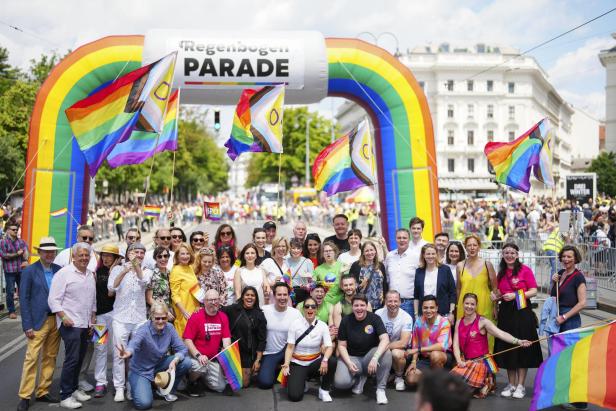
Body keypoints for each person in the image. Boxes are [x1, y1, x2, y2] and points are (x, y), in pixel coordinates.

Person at [451, 293, 531, 398]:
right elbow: (455, 345)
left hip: (482, 363)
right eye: (467, 303)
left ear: (476, 306)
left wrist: (519, 341)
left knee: (460, 391)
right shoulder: (458, 322)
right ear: (462, 304)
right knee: (450, 386)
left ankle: (485, 384)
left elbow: (501, 334)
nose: (469, 306)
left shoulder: (483, 322)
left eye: (472, 304)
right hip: (465, 362)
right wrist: (459, 361)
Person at [48, 242, 97, 409]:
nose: (84, 258)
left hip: (85, 323)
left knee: (80, 358)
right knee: (72, 359)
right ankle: (65, 395)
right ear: (73, 257)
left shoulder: (90, 274)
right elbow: (53, 299)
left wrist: (92, 319)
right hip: (70, 323)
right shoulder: (64, 274)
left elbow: (92, 299)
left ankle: (75, 389)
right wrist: (63, 316)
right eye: (80, 255)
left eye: (86, 255)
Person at [117, 302, 192, 409]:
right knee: (144, 404)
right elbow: (134, 343)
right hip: (141, 370)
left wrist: (175, 359)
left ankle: (165, 390)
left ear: (167, 316)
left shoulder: (170, 328)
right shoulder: (143, 330)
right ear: (151, 316)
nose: (160, 321)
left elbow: (182, 348)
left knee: (186, 362)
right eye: (157, 318)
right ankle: (133, 384)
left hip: (158, 365)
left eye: (163, 318)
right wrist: (128, 352)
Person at [17, 237, 62, 411]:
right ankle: (25, 395)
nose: (50, 254)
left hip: (55, 320)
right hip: (37, 321)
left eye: (52, 251)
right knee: (32, 358)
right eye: (47, 251)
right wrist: (27, 324)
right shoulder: (29, 271)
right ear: (39, 252)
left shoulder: (59, 270)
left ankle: (43, 390)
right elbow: (24, 298)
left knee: (50, 356)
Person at [493, 243, 543, 399]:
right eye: (506, 252)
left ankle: (521, 385)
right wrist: (495, 297)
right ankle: (511, 384)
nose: (509, 255)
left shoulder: (525, 270)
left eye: (512, 252)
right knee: (509, 347)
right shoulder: (500, 273)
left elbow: (534, 291)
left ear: (517, 254)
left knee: (522, 347)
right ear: (503, 255)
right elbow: (498, 292)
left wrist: (516, 295)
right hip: (506, 313)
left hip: (522, 313)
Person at [108, 243, 151, 403]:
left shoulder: (146, 271)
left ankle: (131, 385)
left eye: (141, 252)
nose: (138, 255)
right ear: (127, 254)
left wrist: (135, 266)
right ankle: (119, 387)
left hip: (139, 319)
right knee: (120, 353)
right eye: (135, 252)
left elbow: (143, 282)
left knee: (136, 355)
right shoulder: (118, 269)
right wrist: (125, 270)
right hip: (120, 318)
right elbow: (112, 287)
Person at [334, 294, 392, 405]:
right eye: (356, 305)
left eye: (362, 305)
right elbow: (341, 345)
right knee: (340, 383)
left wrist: (375, 358)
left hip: (369, 358)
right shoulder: (346, 321)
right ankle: (359, 378)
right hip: (352, 357)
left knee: (387, 352)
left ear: (366, 306)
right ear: (352, 307)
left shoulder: (374, 318)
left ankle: (380, 389)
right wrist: (349, 363)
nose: (359, 308)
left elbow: (385, 339)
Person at [550, 245, 588, 411]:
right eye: (564, 257)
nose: (566, 260)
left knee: (573, 360)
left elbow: (582, 303)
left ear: (576, 258)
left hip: (570, 319)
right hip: (558, 318)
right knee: (560, 360)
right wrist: (553, 282)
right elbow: (553, 296)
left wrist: (565, 317)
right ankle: (565, 395)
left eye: (569, 257)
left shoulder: (578, 277)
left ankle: (579, 401)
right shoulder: (560, 274)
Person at [281, 296, 336, 402]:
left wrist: (324, 360)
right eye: (307, 306)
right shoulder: (295, 324)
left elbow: (329, 347)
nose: (310, 309)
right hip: (298, 363)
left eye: (313, 307)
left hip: (315, 363)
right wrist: (287, 364)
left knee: (332, 360)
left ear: (316, 309)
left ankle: (324, 390)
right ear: (303, 309)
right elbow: (290, 347)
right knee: (294, 397)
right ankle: (302, 381)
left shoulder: (322, 325)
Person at [183, 290, 232, 396]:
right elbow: (187, 339)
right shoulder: (196, 316)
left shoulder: (223, 317)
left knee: (220, 387)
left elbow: (226, 337)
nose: (213, 302)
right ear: (204, 301)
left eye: (215, 300)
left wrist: (226, 349)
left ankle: (201, 377)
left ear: (219, 301)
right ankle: (191, 382)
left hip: (212, 360)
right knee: (200, 366)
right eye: (210, 300)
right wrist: (198, 355)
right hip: (196, 357)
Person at [256, 282, 302, 389]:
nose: (282, 298)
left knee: (295, 383)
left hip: (289, 352)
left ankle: (282, 368)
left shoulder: (295, 313)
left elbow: (301, 335)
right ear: (274, 295)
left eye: (285, 295)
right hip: (270, 353)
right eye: (279, 295)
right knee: (265, 383)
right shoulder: (264, 310)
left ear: (288, 296)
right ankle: (275, 368)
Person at [221, 286, 267, 387]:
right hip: (233, 350)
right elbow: (217, 311)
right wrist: (200, 309)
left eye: (252, 295)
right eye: (247, 295)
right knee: (231, 381)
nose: (249, 297)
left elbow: (262, 340)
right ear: (242, 297)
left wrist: (258, 360)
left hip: (248, 353)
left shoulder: (259, 315)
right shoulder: (233, 309)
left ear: (256, 298)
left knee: (244, 384)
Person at [92, 245, 122, 398]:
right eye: (104, 255)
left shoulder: (121, 271)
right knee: (100, 348)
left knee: (117, 350)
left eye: (110, 255)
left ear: (116, 258)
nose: (106, 258)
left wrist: (114, 272)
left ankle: (118, 383)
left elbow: (111, 293)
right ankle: (100, 382)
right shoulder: (96, 271)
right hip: (100, 317)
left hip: (116, 315)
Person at [405, 296, 453, 388]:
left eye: (432, 307)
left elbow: (441, 346)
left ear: (437, 308)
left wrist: (419, 350)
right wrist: (414, 361)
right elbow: (415, 344)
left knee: (435, 355)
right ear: (422, 308)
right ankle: (432, 379)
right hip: (425, 359)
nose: (428, 310)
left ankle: (438, 383)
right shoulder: (419, 322)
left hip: (442, 357)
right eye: (425, 308)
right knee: (411, 380)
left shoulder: (444, 322)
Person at [374, 290, 413, 392]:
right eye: (390, 301)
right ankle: (388, 374)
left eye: (396, 301)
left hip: (400, 350)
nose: (393, 304)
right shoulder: (378, 313)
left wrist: (384, 347)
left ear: (400, 302)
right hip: (384, 348)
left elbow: (403, 343)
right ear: (385, 302)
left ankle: (399, 377)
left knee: (396, 353)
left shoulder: (406, 317)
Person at [455, 234, 497, 326]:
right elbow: (458, 288)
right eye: (469, 245)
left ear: (479, 247)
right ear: (465, 247)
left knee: (485, 336)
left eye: (474, 245)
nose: (472, 248)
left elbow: (495, 288)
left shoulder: (487, 265)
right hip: (465, 306)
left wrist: (495, 307)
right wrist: (458, 306)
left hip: (484, 304)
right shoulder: (460, 265)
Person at [414, 244, 456, 322]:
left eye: (433, 254)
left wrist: (451, 312)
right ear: (423, 255)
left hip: (443, 313)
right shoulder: (419, 271)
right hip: (424, 314)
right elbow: (416, 295)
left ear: (437, 254)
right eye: (428, 254)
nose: (431, 256)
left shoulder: (445, 270)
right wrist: (416, 314)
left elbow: (452, 292)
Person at [384, 228, 417, 317]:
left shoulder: (416, 257)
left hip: (409, 303)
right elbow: (386, 278)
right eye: (399, 238)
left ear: (409, 239)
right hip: (391, 303)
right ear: (395, 239)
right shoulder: (389, 256)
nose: (401, 240)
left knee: (408, 330)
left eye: (404, 238)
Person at [169, 243, 200, 337]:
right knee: (186, 343)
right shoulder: (176, 270)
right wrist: (183, 311)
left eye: (188, 253)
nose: (185, 256)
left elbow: (195, 287)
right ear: (177, 255)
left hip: (195, 310)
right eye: (182, 254)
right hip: (184, 313)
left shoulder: (190, 267)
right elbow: (174, 294)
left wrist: (199, 304)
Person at [0, 221, 29, 319]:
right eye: (13, 229)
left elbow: (26, 252)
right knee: (10, 291)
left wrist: (25, 256)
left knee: (23, 290)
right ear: (8, 230)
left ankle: (24, 309)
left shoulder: (21, 241)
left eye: (17, 229)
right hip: (9, 271)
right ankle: (11, 311)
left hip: (20, 270)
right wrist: (17, 254)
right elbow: (4, 255)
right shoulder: (3, 242)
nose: (16, 231)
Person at [349, 240, 388, 310]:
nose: (370, 253)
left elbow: (384, 285)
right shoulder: (356, 266)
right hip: (362, 306)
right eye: (367, 251)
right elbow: (351, 284)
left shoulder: (380, 266)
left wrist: (385, 301)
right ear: (363, 253)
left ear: (375, 251)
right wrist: (361, 285)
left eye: (371, 250)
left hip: (379, 305)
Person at [145, 247, 174, 319]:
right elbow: (149, 299)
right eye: (159, 256)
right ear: (155, 258)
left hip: (169, 313)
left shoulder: (169, 273)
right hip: (157, 315)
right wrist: (165, 311)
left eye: (165, 256)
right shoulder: (151, 274)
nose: (163, 259)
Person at [285, 238, 314, 305]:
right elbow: (284, 279)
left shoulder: (307, 261)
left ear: (301, 249)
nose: (296, 250)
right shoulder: (285, 261)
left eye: (298, 248)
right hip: (289, 293)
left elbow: (313, 282)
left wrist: (307, 286)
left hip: (303, 293)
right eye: (293, 248)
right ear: (290, 249)